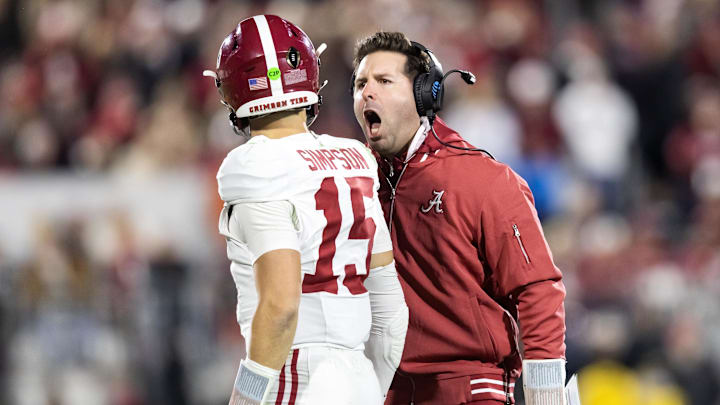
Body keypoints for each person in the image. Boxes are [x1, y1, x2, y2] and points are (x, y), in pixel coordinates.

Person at [351, 32, 567, 405]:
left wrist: (546, 396)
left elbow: (538, 289)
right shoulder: (355, 182)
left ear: (425, 94)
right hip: (385, 390)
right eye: (360, 83)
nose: (367, 92)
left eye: (384, 81)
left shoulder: (483, 179)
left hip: (469, 389)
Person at [204, 16, 408, 405]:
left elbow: (281, 307)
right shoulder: (355, 157)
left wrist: (246, 399)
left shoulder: (251, 165)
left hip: (293, 375)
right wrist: (368, 388)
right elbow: (390, 312)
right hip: (359, 375)